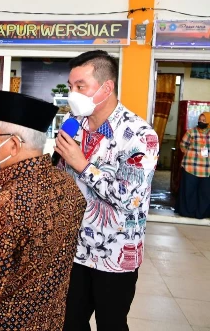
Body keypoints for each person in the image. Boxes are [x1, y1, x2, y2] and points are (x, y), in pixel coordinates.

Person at [0, 91, 87, 331]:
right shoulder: (68, 185)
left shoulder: (4, 208)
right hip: (50, 320)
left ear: (14, 144)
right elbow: (35, 235)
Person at [54, 50, 159, 331]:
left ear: (106, 87)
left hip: (115, 254)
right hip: (73, 249)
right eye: (70, 86)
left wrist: (83, 165)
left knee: (111, 323)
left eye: (80, 86)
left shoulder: (140, 135)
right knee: (69, 322)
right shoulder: (74, 128)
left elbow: (130, 197)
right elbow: (60, 181)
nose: (72, 94)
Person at [176, 111, 210, 219]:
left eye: (204, 120)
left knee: (205, 193)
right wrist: (191, 154)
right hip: (191, 167)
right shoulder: (191, 132)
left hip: (207, 169)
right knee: (189, 192)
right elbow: (183, 145)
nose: (201, 121)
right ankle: (188, 213)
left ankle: (201, 214)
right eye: (200, 119)